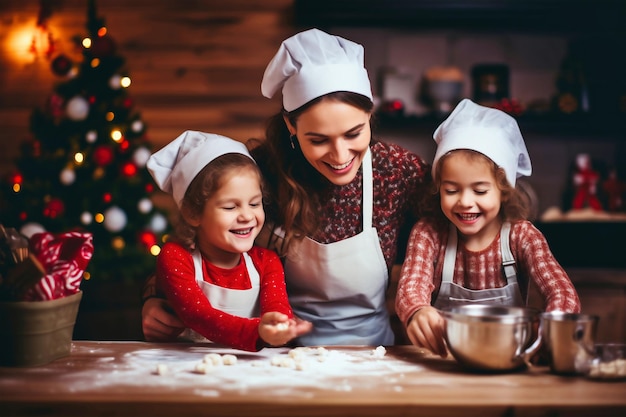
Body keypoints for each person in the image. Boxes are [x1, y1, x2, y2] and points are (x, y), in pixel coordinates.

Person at [142, 28, 430, 346]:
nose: (340, 156)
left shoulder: (399, 173)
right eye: (318, 140)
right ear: (291, 125)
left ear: (369, 115)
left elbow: (440, 249)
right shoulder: (260, 170)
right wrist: (152, 299)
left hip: (373, 351)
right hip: (279, 356)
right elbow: (198, 248)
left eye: (353, 133)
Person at [395, 98, 581, 357]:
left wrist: (550, 328)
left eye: (480, 190)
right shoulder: (429, 233)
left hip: (509, 359)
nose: (465, 202)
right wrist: (417, 311)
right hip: (444, 361)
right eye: (451, 190)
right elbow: (410, 288)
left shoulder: (522, 236)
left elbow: (563, 292)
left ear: (504, 191)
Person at [146, 130, 311, 352]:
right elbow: (199, 316)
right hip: (184, 370)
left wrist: (279, 323)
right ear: (192, 212)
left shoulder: (266, 261)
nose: (246, 216)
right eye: (230, 207)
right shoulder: (176, 257)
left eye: (254, 204)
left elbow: (277, 307)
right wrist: (259, 331)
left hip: (250, 370)